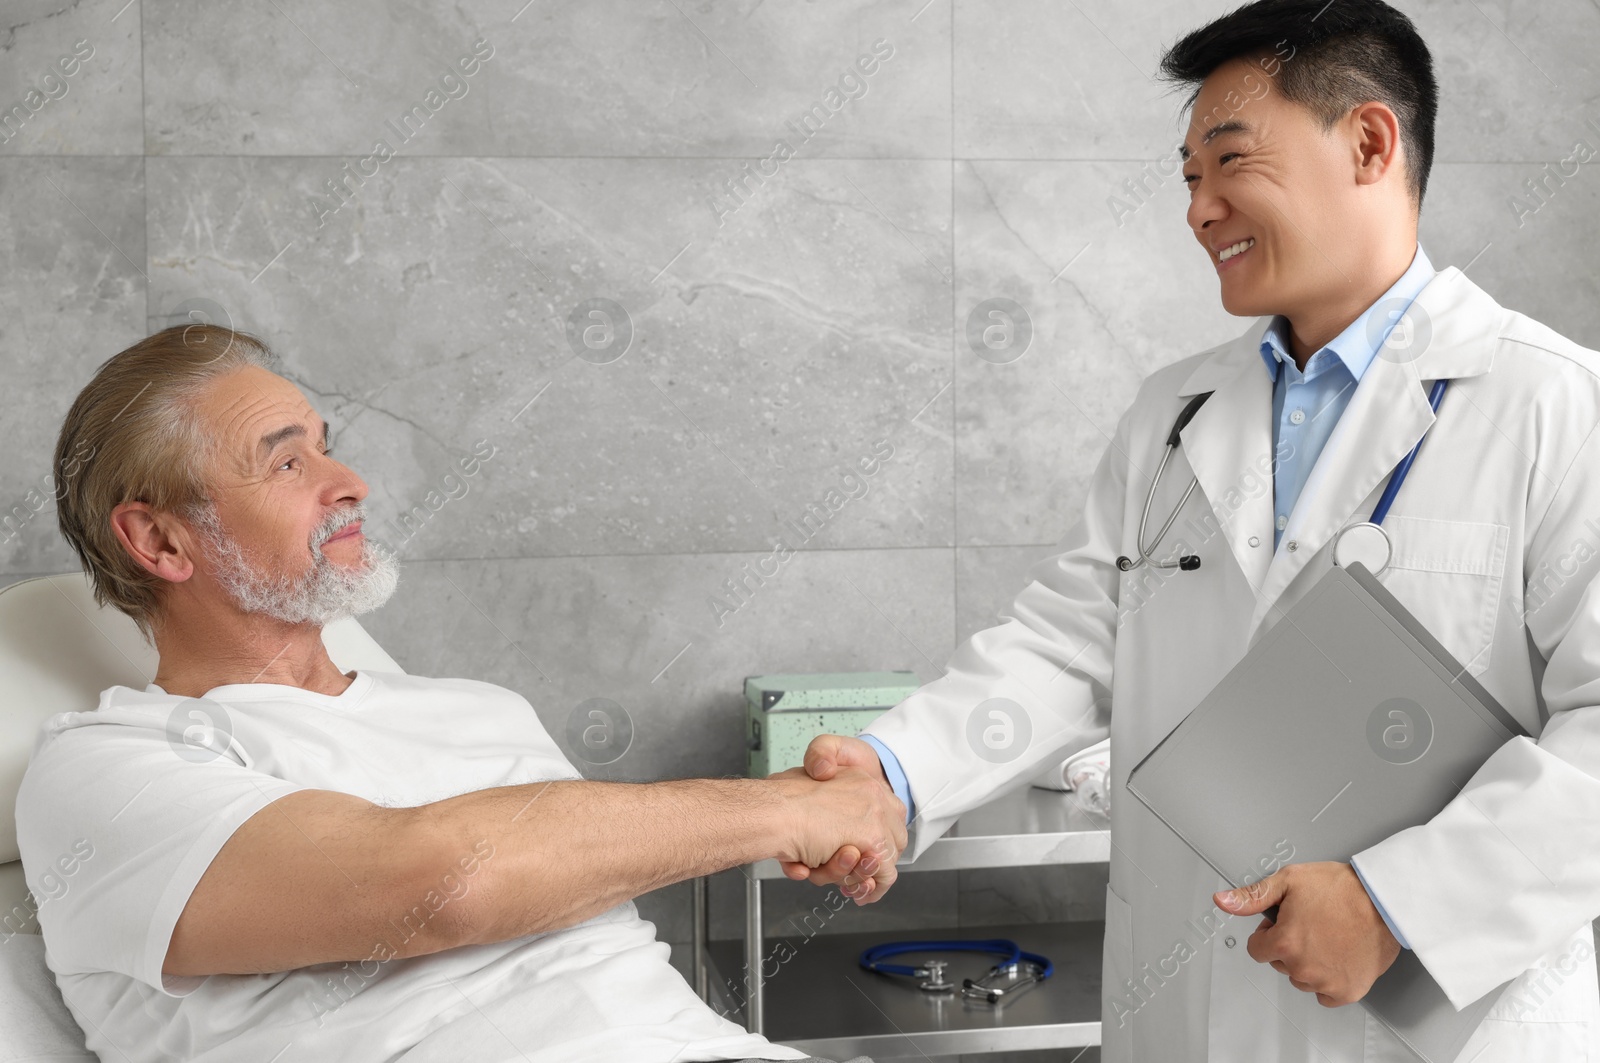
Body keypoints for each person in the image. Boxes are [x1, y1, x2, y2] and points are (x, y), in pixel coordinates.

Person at [790, 1, 1600, 1060]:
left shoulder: (1553, 405)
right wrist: (893, 771)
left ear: (1366, 143)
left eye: (1228, 163)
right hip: (1178, 1001)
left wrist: (1395, 903)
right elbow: (1068, 642)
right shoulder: (1172, 415)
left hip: (1429, 1019)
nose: (1197, 210)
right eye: (1185, 177)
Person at [15, 324, 900, 1063]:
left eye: (329, 445)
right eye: (287, 465)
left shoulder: (482, 711)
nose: (348, 482)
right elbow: (447, 882)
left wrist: (830, 808)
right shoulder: (102, 772)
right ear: (163, 541)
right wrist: (790, 809)